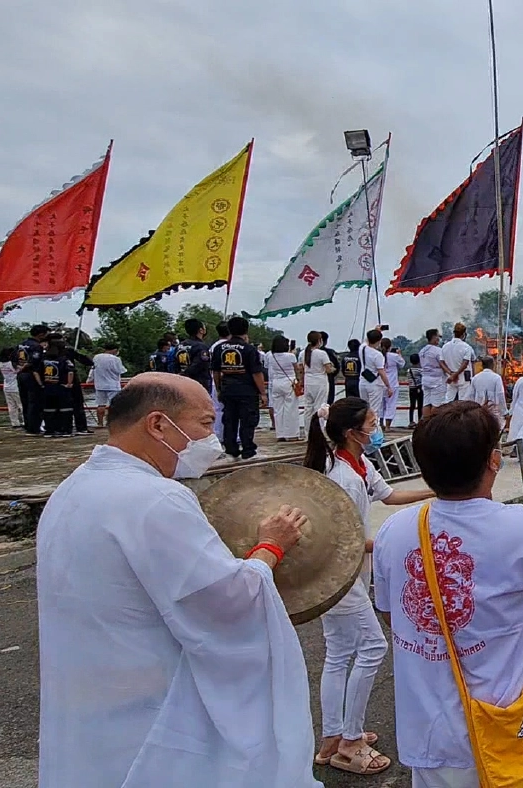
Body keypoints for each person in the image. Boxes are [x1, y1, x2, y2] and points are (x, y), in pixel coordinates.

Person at [36, 373, 320, 787]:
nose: (212, 438)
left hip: (91, 695)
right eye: (204, 423)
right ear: (158, 424)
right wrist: (270, 547)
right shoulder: (156, 498)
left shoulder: (74, 487)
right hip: (149, 706)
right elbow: (226, 600)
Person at [371, 401, 523, 787]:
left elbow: (393, 615)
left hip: (426, 730)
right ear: (493, 461)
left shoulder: (395, 530)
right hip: (504, 728)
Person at [304, 397, 432, 775]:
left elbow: (390, 496)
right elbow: (339, 536)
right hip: (337, 573)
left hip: (351, 570)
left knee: (340, 650)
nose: (377, 431)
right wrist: (389, 542)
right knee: (374, 646)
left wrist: (435, 492)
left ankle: (332, 738)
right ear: (352, 433)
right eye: (372, 426)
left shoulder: (359, 465)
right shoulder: (341, 477)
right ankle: (350, 741)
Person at [211, 316, 267, 461]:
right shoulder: (249, 349)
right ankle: (248, 451)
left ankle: (231, 450)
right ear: (246, 330)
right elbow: (256, 373)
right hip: (247, 390)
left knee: (229, 420)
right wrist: (263, 393)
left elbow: (216, 371)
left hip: (227, 389)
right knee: (248, 421)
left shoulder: (219, 348)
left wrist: (219, 388)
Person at [268, 335, 302, 442]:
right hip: (289, 381)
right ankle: (291, 434)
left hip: (276, 382)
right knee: (290, 408)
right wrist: (299, 380)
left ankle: (280, 433)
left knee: (278, 409)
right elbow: (296, 369)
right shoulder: (290, 356)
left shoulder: (270, 356)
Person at [16, 324, 48, 435]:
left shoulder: (21, 344)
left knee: (25, 401)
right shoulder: (36, 346)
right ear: (41, 334)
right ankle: (34, 427)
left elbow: (13, 358)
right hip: (32, 375)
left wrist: (19, 367)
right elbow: (34, 361)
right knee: (34, 402)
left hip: (21, 375)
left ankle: (27, 425)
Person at [41, 337, 75, 438]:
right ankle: (65, 430)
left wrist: (41, 384)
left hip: (47, 388)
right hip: (61, 388)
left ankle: (50, 430)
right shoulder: (64, 359)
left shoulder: (44, 359)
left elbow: (36, 372)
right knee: (65, 409)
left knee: (49, 410)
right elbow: (70, 371)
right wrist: (69, 384)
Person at [91, 342, 127, 427]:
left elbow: (93, 369)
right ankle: (112, 423)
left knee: (100, 405)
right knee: (114, 405)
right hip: (113, 385)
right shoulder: (116, 359)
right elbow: (121, 370)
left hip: (99, 384)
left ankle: (100, 423)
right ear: (115, 350)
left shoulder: (96, 357)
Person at [359, 330, 391, 427]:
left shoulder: (362, 348)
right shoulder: (377, 355)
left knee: (364, 408)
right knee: (374, 410)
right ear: (379, 341)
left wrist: (377, 330)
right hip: (375, 383)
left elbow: (366, 341)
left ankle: (364, 428)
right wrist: (388, 386)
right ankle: (373, 430)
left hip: (363, 381)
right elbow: (381, 372)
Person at [439, 322, 475, 404]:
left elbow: (441, 363)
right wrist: (455, 374)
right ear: (464, 334)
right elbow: (465, 363)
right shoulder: (467, 347)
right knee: (463, 402)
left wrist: (451, 374)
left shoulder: (445, 346)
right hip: (464, 379)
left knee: (448, 401)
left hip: (450, 378)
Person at [300, 331, 332, 421]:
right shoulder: (322, 353)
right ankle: (319, 427)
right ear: (319, 341)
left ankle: (308, 428)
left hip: (308, 380)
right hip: (320, 381)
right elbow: (328, 369)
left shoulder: (302, 353)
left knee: (308, 407)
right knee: (320, 406)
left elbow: (300, 368)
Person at [468, 357, 507, 430]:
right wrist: (504, 411)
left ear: (482, 365)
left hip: (479, 411)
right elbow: (500, 395)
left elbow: (471, 396)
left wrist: (471, 411)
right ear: (493, 365)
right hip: (493, 411)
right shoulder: (496, 378)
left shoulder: (475, 378)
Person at [177, 318, 213, 395]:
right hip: (198, 384)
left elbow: (174, 363)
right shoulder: (201, 346)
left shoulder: (179, 346)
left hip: (181, 382)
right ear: (201, 330)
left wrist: (180, 375)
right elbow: (199, 365)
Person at [418, 328, 447, 419]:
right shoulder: (438, 350)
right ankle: (434, 422)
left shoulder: (422, 351)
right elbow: (442, 364)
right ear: (434, 337)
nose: (439, 339)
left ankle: (426, 422)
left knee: (426, 403)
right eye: (438, 336)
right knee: (437, 404)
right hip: (437, 380)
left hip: (425, 378)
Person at [209, 322, 231, 436]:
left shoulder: (213, 346)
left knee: (217, 409)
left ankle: (218, 433)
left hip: (215, 380)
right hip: (228, 380)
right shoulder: (229, 346)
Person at [382, 341, 407, 430]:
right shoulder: (394, 356)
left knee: (380, 405)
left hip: (380, 383)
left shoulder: (378, 356)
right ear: (390, 346)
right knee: (391, 405)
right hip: (392, 383)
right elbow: (402, 364)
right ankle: (387, 426)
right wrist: (399, 354)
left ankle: (380, 424)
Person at [0, 348, 23, 429]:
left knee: (11, 406)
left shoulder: (1, 364)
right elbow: (18, 370)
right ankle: (25, 421)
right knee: (21, 405)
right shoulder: (11, 364)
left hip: (6, 386)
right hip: (15, 386)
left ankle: (14, 422)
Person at [321, 331, 340, 404]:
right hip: (329, 378)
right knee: (329, 401)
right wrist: (332, 375)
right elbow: (337, 366)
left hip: (313, 379)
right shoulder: (330, 352)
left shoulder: (308, 352)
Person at [408, 354, 424, 426]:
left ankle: (411, 421)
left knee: (412, 405)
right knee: (420, 405)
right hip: (419, 389)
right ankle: (420, 421)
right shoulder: (420, 370)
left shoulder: (409, 370)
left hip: (411, 388)